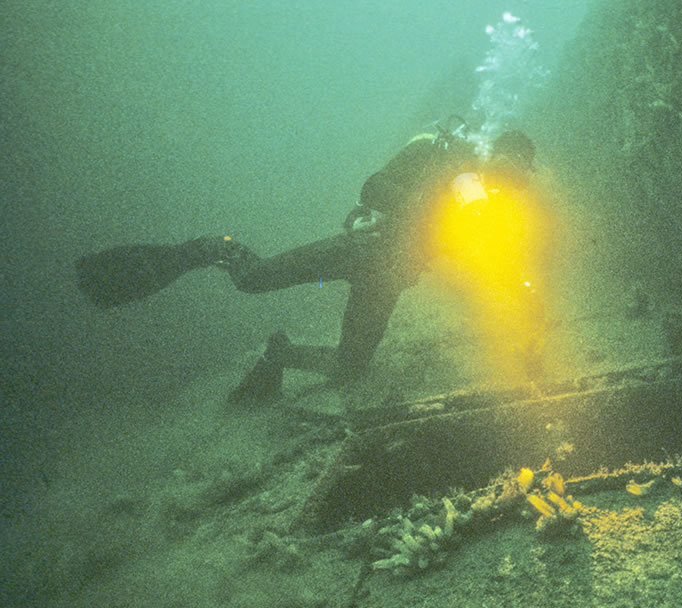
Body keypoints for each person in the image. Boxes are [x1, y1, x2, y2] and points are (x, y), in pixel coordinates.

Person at [75, 119, 540, 404]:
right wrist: (432, 203)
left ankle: (278, 353)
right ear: (494, 153)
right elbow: (372, 189)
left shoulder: (490, 203)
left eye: (517, 177)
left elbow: (483, 259)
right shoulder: (441, 160)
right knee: (253, 279)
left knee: (349, 367)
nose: (508, 180)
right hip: (358, 251)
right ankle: (211, 247)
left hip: (388, 280)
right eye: (507, 167)